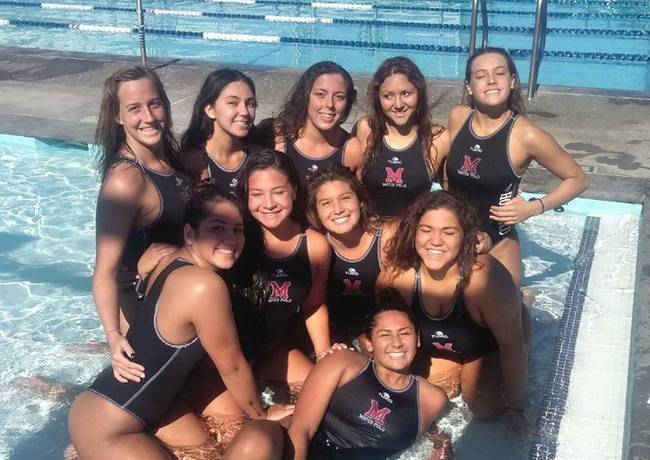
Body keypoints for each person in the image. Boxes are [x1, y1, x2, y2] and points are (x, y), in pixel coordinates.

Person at [69, 182, 293, 460]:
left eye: (237, 230)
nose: (231, 240)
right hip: (111, 427)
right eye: (217, 228)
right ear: (189, 233)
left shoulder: (169, 259)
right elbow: (232, 367)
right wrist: (263, 413)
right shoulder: (204, 285)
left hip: (124, 407)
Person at [376, 190, 533, 437]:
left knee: (484, 406)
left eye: (448, 232)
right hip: (444, 344)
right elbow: (377, 331)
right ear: (413, 232)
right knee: (434, 391)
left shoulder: (483, 279)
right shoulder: (396, 278)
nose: (435, 241)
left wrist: (516, 406)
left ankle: (522, 303)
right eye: (426, 230)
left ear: (465, 237)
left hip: (489, 341)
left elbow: (512, 344)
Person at [441, 47, 589, 289]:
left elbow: (578, 179)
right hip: (452, 234)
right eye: (480, 76)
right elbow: (447, 174)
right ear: (469, 86)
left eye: (499, 74)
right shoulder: (458, 117)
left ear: (512, 82)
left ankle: (525, 299)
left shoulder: (527, 135)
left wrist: (533, 207)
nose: (491, 80)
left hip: (498, 242)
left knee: (510, 319)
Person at [92, 66, 192, 385]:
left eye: (154, 103)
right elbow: (105, 270)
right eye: (134, 108)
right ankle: (54, 389)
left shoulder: (167, 157)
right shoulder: (125, 181)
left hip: (176, 300)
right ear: (118, 117)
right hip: (147, 313)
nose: (148, 117)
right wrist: (113, 336)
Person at [285, 287, 451, 460]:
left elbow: (437, 442)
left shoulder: (433, 398)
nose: (396, 343)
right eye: (385, 335)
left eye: (405, 334)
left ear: (417, 340)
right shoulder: (343, 362)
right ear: (369, 343)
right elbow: (301, 429)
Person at [235, 149, 332, 388]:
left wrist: (324, 356)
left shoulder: (315, 245)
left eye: (278, 192)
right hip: (224, 359)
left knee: (321, 391)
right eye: (257, 194)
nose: (268, 204)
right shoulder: (234, 237)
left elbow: (314, 305)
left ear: (294, 191)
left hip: (271, 352)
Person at [305, 162, 396, 344]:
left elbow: (395, 305)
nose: (338, 209)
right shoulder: (315, 244)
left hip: (383, 333)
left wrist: (369, 337)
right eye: (326, 203)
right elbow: (314, 306)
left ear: (360, 200)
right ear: (316, 212)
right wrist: (325, 352)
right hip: (335, 334)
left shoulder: (388, 235)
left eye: (345, 198)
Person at [356, 56, 449, 218]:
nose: (398, 104)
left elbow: (453, 195)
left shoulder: (437, 138)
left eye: (406, 93)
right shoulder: (366, 129)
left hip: (412, 236)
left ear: (419, 93)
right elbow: (352, 183)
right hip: (371, 233)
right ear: (378, 98)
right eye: (388, 96)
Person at [259, 61, 362, 190]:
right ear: (305, 96)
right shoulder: (276, 138)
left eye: (339, 96)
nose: (330, 104)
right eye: (320, 94)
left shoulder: (351, 150)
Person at [180, 68, 257, 192]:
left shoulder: (256, 155)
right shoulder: (194, 162)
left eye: (250, 103)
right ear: (210, 110)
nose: (244, 111)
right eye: (233, 102)